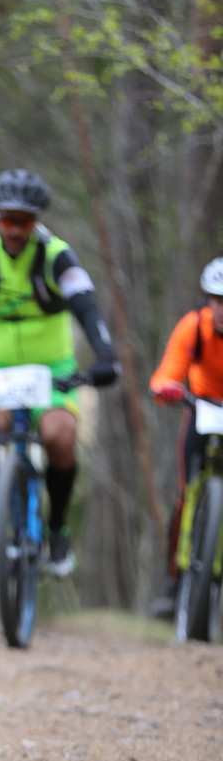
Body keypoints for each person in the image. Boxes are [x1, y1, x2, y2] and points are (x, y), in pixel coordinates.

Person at [0, 168, 118, 579]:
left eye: (25, 222)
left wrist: (105, 354)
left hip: (51, 369)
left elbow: (86, 304)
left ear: (37, 221)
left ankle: (57, 531)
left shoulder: (56, 254)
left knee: (60, 436)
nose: (15, 230)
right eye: (7, 220)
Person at [148, 257, 223, 619]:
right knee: (185, 493)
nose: (222, 309)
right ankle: (173, 581)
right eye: (217, 299)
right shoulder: (193, 327)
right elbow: (168, 371)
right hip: (201, 409)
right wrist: (166, 388)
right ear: (207, 300)